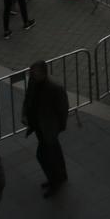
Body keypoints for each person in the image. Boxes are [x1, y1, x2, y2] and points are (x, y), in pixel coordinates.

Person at [21, 60, 68, 196]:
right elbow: (28, 98)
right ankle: (61, 175)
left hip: (49, 128)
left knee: (43, 155)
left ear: (43, 73)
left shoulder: (55, 88)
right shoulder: (34, 82)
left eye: (34, 73)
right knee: (54, 151)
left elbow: (63, 109)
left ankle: (54, 181)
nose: (31, 75)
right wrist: (24, 114)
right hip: (38, 125)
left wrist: (58, 127)